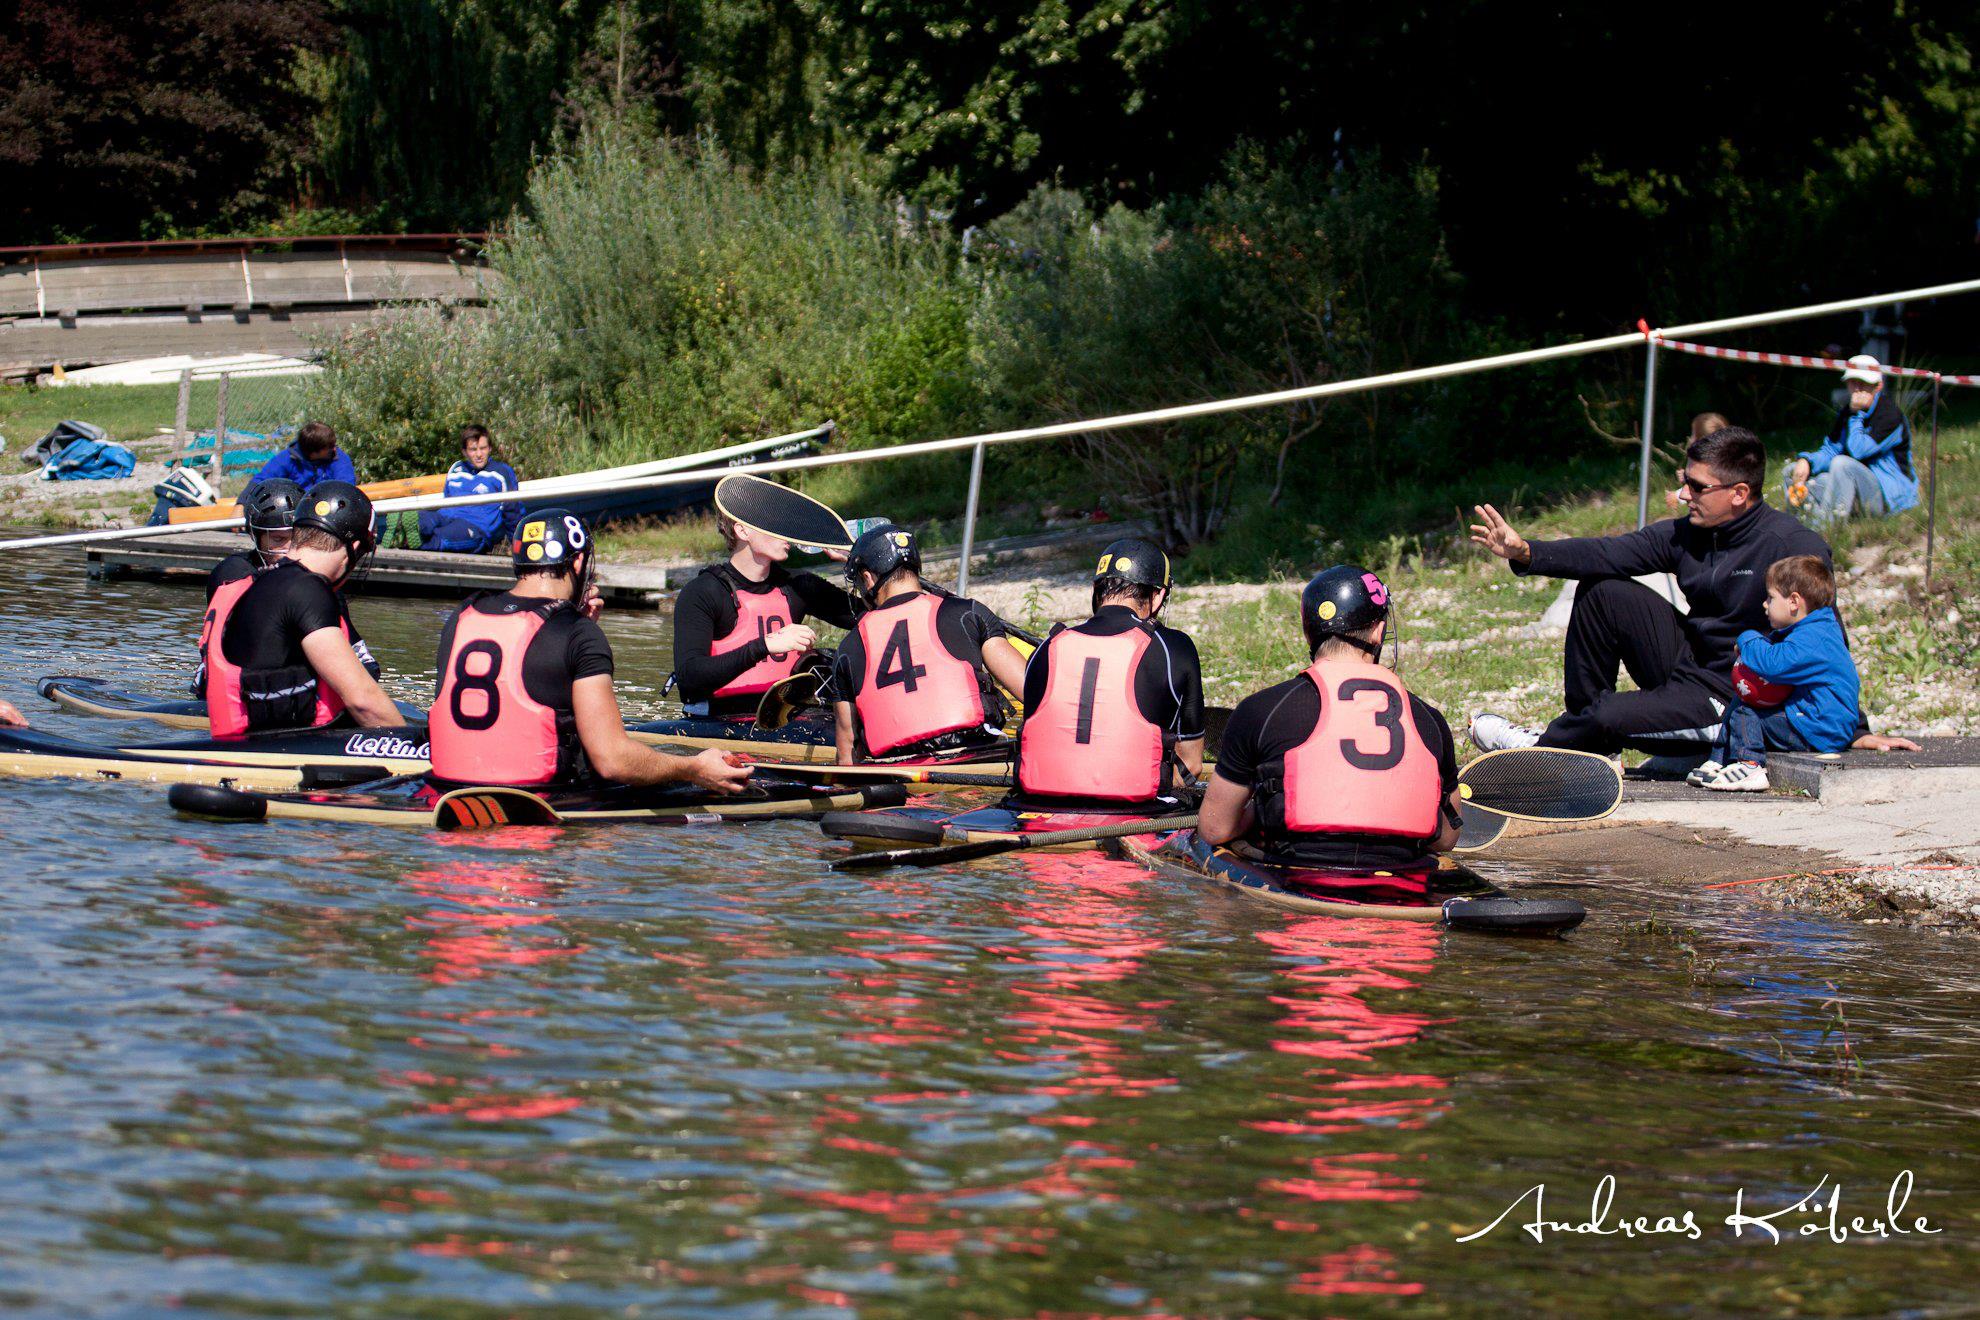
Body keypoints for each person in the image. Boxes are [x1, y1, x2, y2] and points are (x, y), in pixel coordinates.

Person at [1468, 426, 1836, 759]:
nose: (1684, 494)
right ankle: (1586, 745)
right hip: (1689, 665)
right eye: (1685, 481)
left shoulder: (1792, 546)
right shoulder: (1688, 533)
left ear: (1739, 493)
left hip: (1734, 697)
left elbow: (1826, 638)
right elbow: (1607, 553)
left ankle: (1555, 747)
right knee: (1603, 591)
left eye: (1697, 487)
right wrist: (1526, 551)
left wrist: (1852, 725)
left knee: (1610, 714)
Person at [429, 508, 751, 793]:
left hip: (449, 785)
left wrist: (575, 625)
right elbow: (612, 760)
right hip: (539, 798)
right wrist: (694, 768)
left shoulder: (463, 616)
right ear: (578, 562)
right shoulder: (579, 634)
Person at [1198, 565, 1462, 869]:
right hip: (1402, 873)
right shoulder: (1430, 720)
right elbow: (1447, 838)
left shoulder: (1262, 709)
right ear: (1378, 632)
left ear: (1308, 632)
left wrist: (1262, 807)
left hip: (1297, 871)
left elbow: (1215, 828)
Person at [1008, 537, 1205, 812]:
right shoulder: (1175, 646)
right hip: (1136, 811)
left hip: (1037, 806)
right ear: (1158, 596)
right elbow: (1192, 764)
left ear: (1095, 590)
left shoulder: (1047, 647)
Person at [200, 481, 405, 737]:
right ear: (354, 548)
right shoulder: (306, 590)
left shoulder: (267, 582)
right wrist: (411, 746)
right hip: (278, 749)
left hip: (243, 741)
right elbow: (364, 701)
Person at [832, 524, 1028, 764]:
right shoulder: (967, 613)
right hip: (977, 755)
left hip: (897, 768)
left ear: (867, 579)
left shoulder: (848, 648)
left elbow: (847, 755)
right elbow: (1033, 694)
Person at [671, 504, 860, 721]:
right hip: (719, 720)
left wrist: (857, 561)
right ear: (742, 531)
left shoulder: (798, 585)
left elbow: (874, 616)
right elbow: (688, 679)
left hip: (786, 719)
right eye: (775, 525)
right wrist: (764, 646)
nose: (787, 534)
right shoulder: (703, 592)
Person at [1691, 556, 1861, 792]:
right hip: (1812, 719)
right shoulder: (1812, 630)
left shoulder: (1814, 638)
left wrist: (1747, 638)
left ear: (1794, 602)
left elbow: (1773, 664)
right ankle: (1718, 761)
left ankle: (1750, 765)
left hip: (1820, 729)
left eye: (1770, 597)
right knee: (1743, 698)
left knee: (1746, 711)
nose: (1765, 604)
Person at [1785, 356, 1919, 524]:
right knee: (1792, 471)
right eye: (1852, 382)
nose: (1857, 389)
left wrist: (1856, 414)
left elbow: (1858, 451)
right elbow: (1831, 450)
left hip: (1890, 498)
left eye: (1863, 383)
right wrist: (1807, 461)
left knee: (1842, 464)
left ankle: (1826, 529)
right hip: (1857, 487)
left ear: (1878, 386)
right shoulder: (1847, 414)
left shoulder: (1890, 416)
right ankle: (1801, 526)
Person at [384, 424, 521, 554]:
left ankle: (406, 543)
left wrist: (518, 547)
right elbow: (446, 499)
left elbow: (513, 511)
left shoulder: (501, 472)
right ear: (464, 452)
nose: (479, 454)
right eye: (473, 450)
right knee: (423, 517)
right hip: (446, 515)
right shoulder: (456, 469)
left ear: (490, 448)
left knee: (440, 537)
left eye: (483, 448)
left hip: (475, 527)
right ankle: (403, 530)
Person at [250, 421, 357, 496]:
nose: (334, 448)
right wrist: (242, 504)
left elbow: (346, 488)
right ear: (314, 452)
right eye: (329, 446)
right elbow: (260, 482)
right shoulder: (287, 458)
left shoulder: (338, 458)